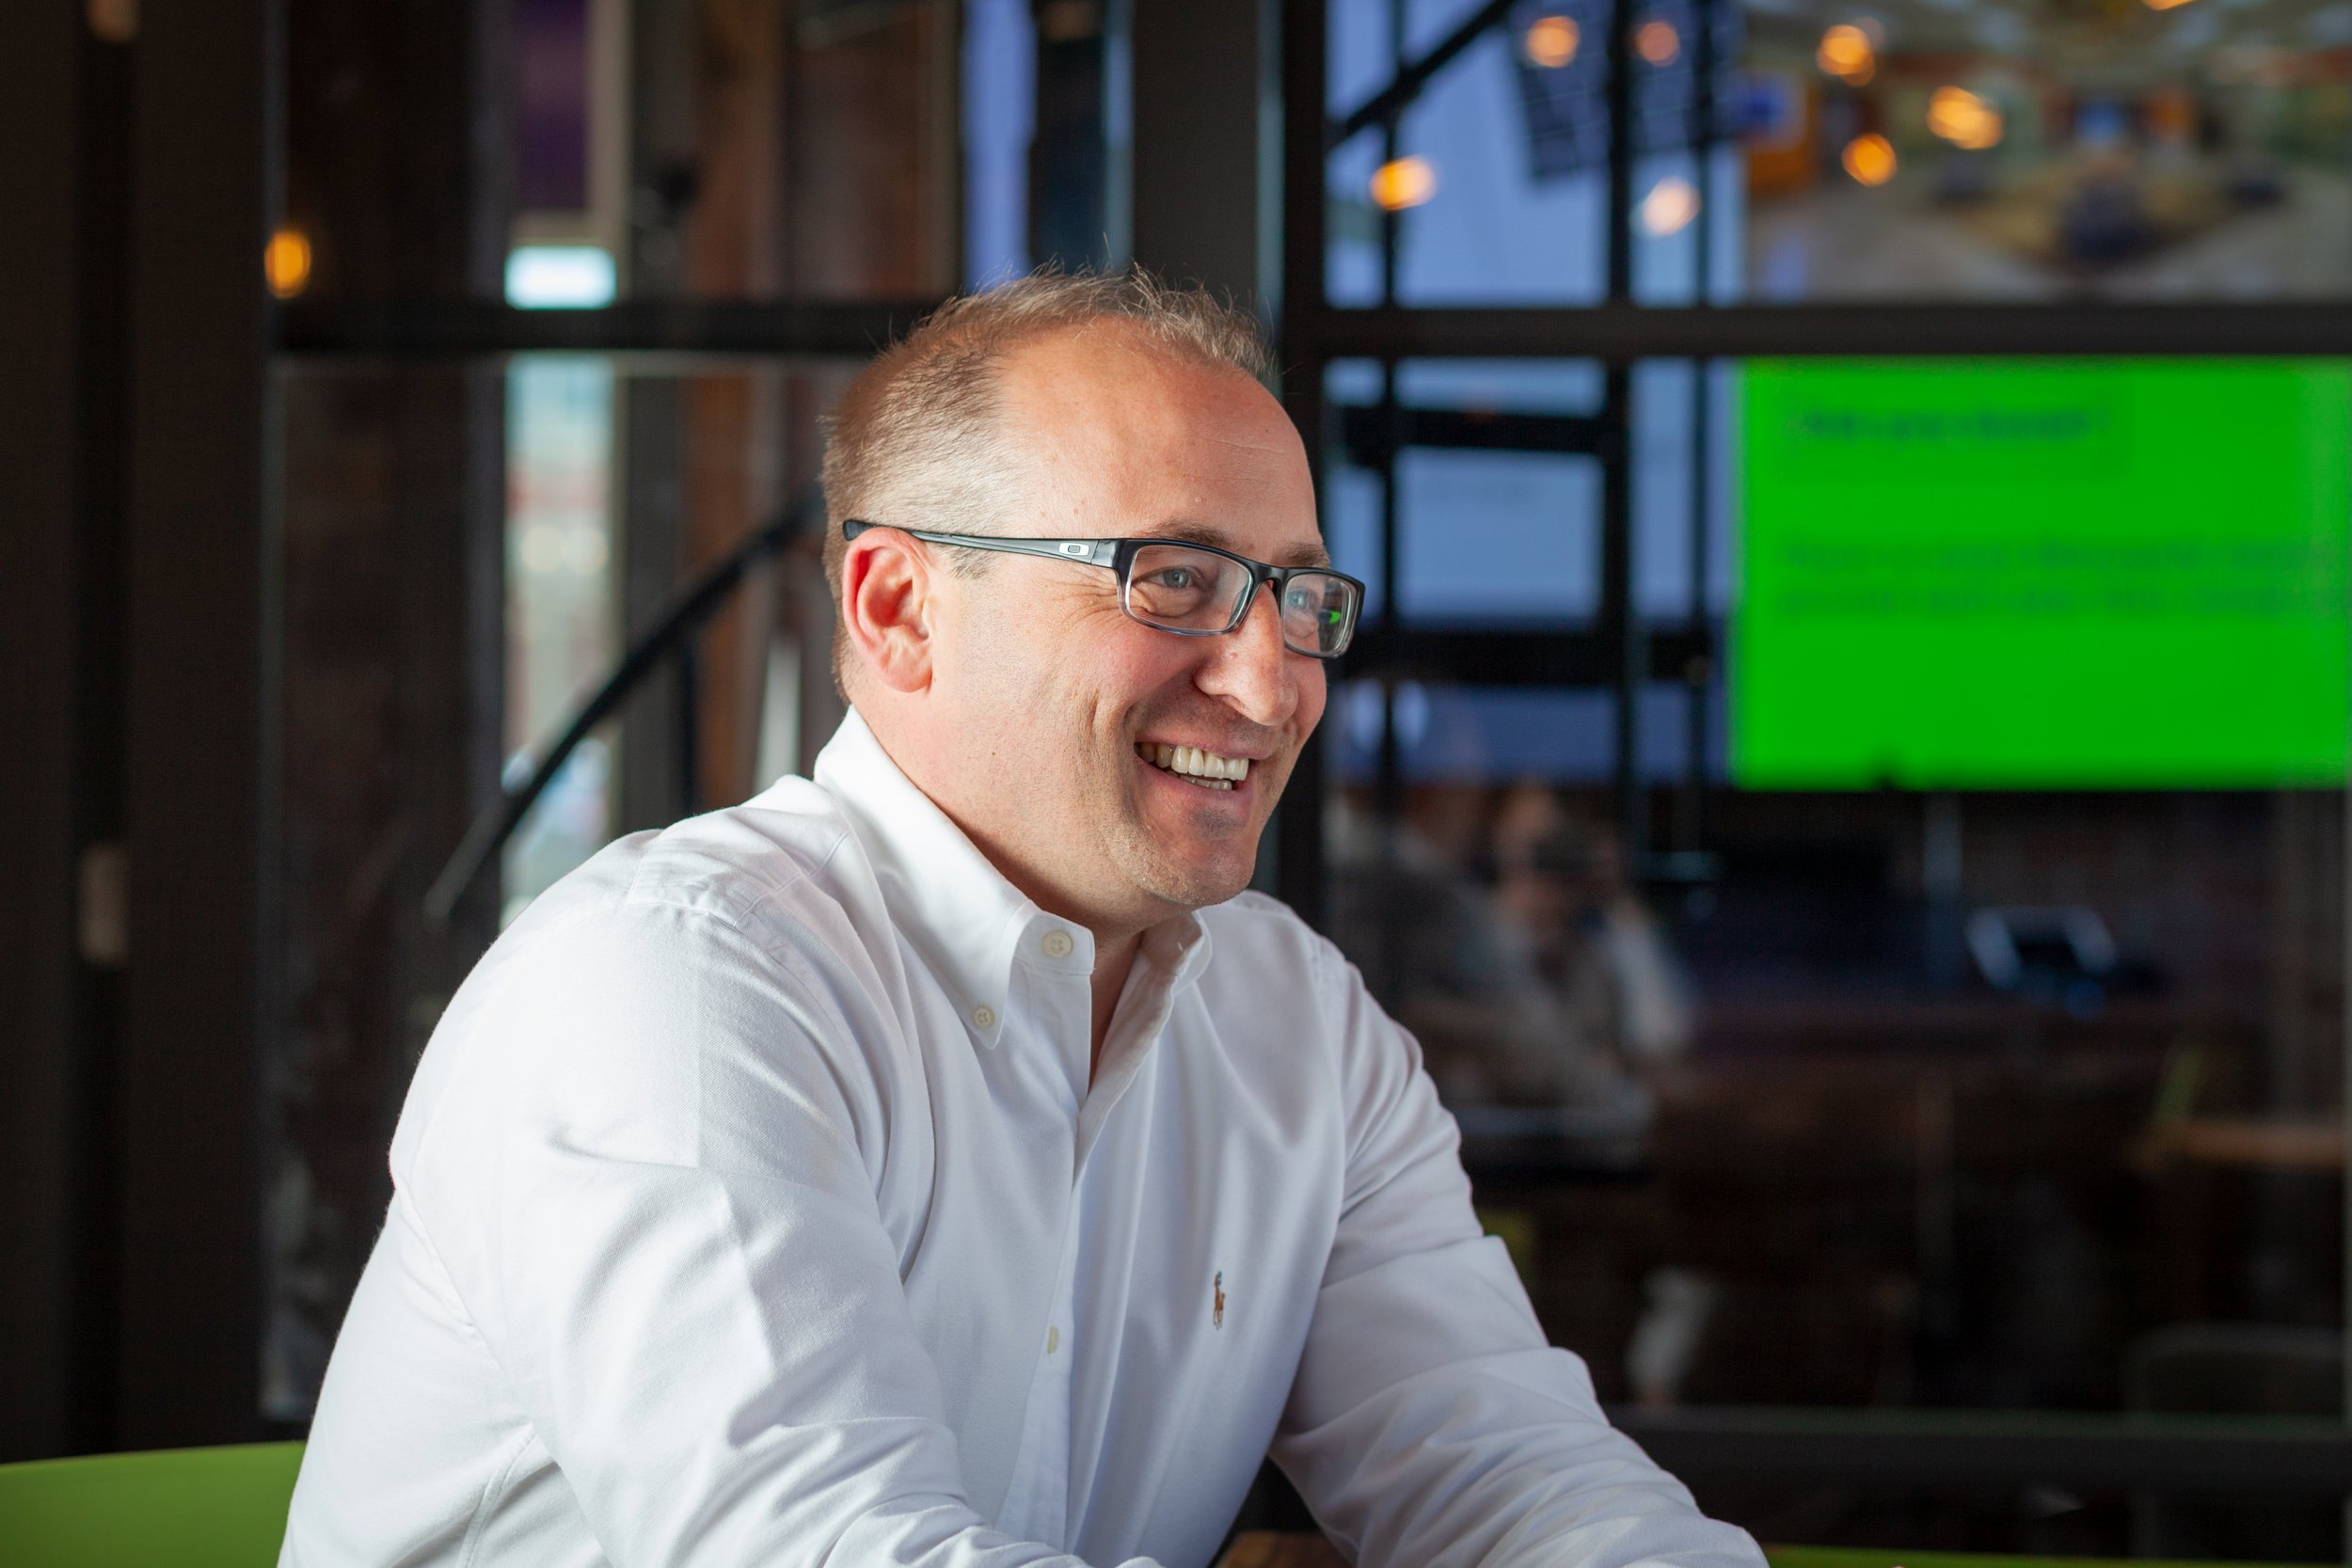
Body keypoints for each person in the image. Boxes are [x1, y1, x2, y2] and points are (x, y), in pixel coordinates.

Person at [282, 272, 1763, 1568]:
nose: (1270, 685)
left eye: (1298, 599)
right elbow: (827, 1552)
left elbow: (1508, 1479)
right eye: (1173, 581)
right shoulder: (667, 986)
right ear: (898, 609)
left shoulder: (1298, 1022)